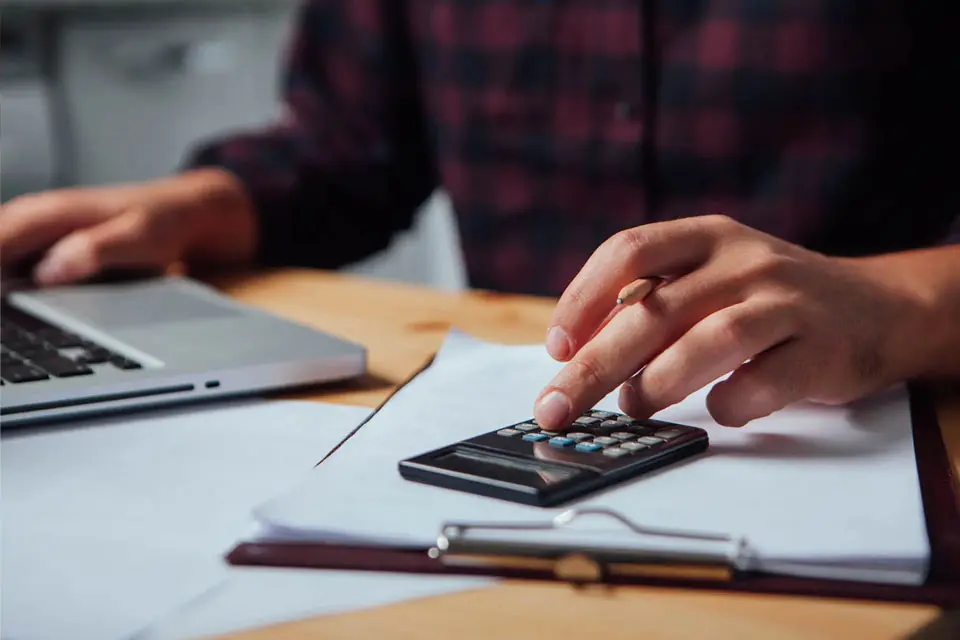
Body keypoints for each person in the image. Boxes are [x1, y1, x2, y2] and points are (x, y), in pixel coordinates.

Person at [1, 1, 957, 429]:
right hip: (529, 436)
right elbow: (347, 150)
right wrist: (199, 203)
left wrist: (902, 305)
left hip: (881, 417)